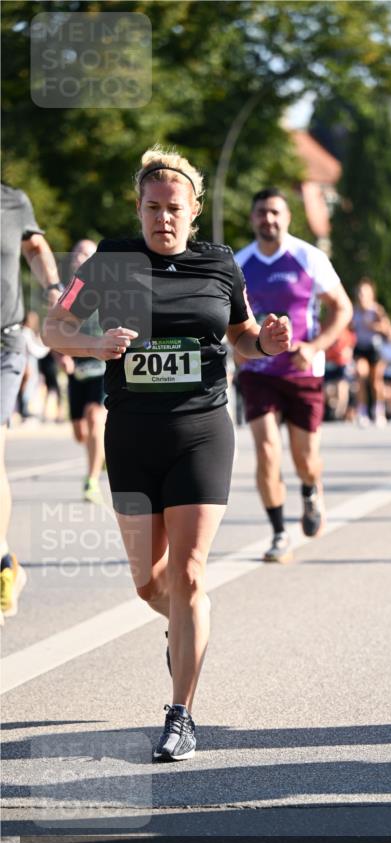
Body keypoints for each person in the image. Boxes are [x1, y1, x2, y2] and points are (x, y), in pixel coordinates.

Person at [44, 147, 291, 761]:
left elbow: (241, 335)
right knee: (148, 582)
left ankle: (181, 712)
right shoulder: (108, 262)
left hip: (201, 431)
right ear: (139, 208)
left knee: (188, 575)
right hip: (130, 436)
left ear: (194, 210)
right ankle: (183, 627)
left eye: (174, 208)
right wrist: (94, 343)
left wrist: (266, 340)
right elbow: (53, 329)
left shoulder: (220, 262)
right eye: (152, 208)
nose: (163, 219)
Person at [235, 187, 352, 564]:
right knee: (267, 450)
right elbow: (228, 319)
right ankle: (279, 532)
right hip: (258, 371)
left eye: (274, 213)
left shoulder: (309, 257)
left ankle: (311, 487)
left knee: (305, 458)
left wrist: (316, 347)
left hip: (303, 371)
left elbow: (343, 309)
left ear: (286, 218)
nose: (268, 219)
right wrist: (238, 350)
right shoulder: (239, 264)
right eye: (261, 213)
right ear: (252, 218)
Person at [1, 182, 63, 622]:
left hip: (4, 345)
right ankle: (6, 562)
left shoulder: (13, 201)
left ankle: (1, 564)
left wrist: (54, 289)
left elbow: (37, 248)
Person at [59, 239, 108, 502]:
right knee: (80, 431)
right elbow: (55, 329)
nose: (81, 258)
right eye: (77, 254)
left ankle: (91, 481)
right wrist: (61, 356)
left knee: (94, 416)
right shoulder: (67, 292)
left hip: (101, 365)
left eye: (87, 254)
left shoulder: (107, 289)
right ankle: (101, 451)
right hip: (76, 368)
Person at [350, 278, 391, 426]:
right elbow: (348, 329)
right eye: (359, 292)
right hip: (361, 347)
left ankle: (378, 410)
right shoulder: (354, 310)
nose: (361, 296)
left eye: (365, 293)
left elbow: (387, 329)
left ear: (371, 294)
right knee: (361, 375)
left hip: (375, 348)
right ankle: (362, 411)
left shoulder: (376, 310)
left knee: (375, 382)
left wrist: (374, 326)